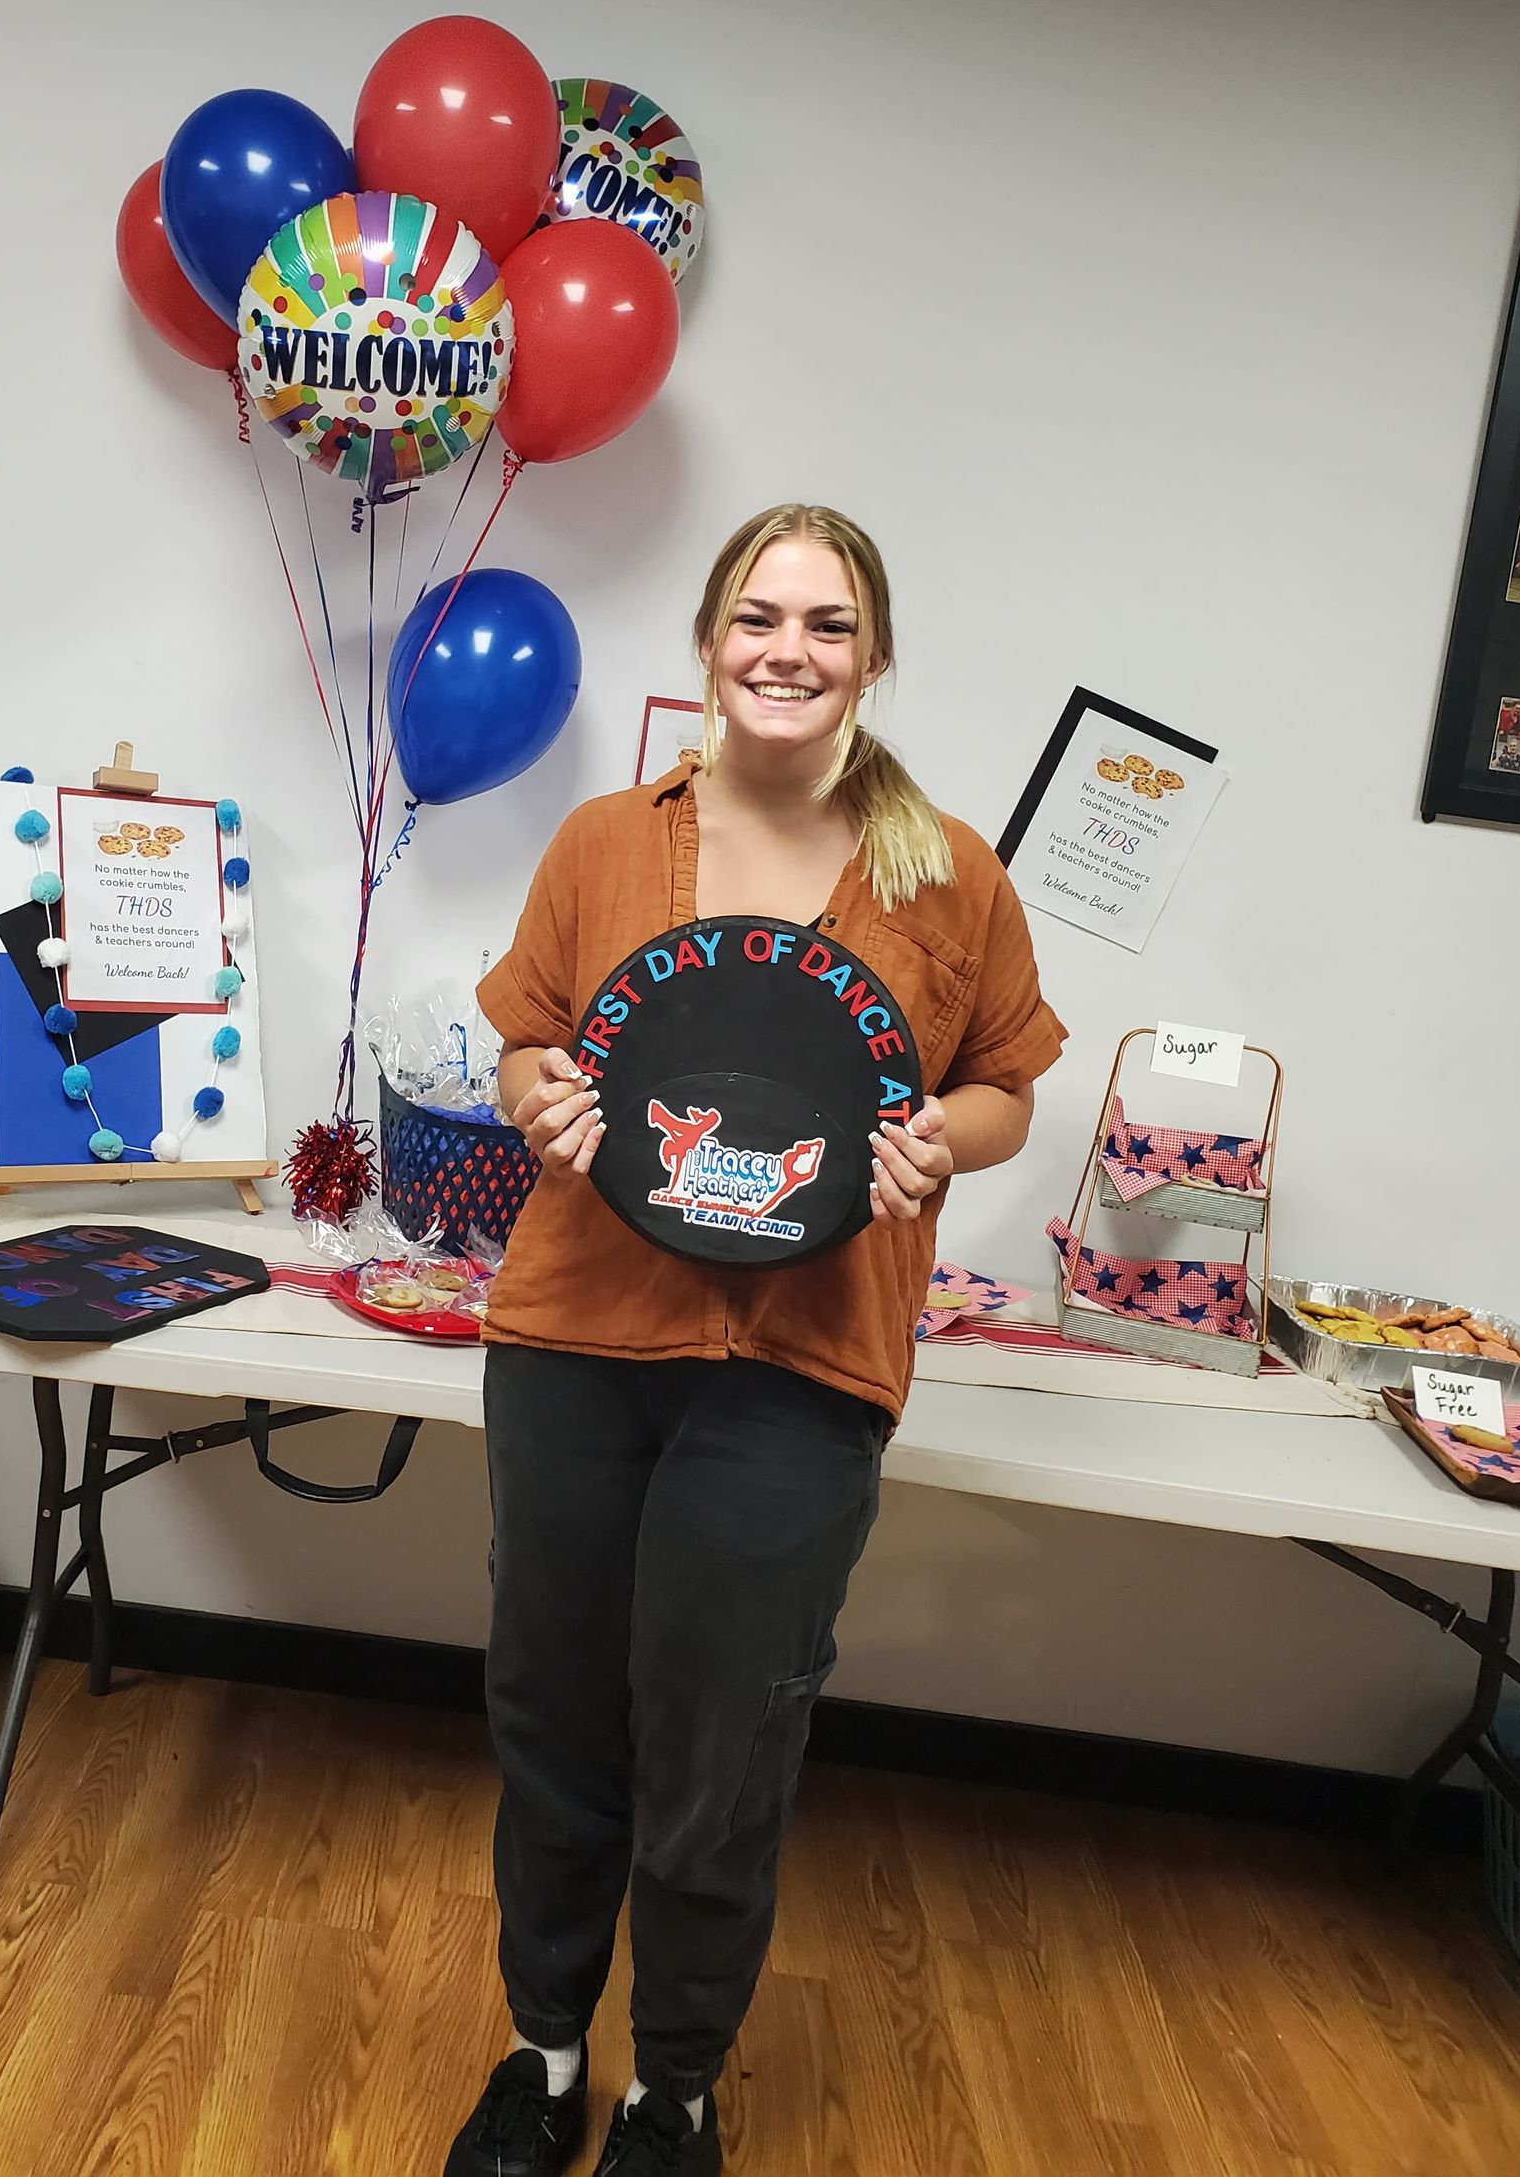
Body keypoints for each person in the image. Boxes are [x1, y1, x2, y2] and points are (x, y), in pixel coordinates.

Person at [443, 504, 1065, 2177]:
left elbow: (1007, 1081)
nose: (790, 650)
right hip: (581, 1336)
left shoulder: (950, 872)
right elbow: (520, 1042)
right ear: (711, 641)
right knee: (555, 1706)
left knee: (726, 1734)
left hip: (804, 1365)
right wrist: (544, 1103)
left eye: (830, 623)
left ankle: (675, 2089)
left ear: (873, 656)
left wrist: (948, 1139)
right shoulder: (600, 844)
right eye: (760, 615)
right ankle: (544, 2053)